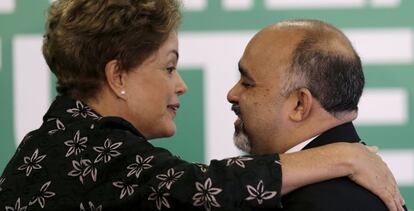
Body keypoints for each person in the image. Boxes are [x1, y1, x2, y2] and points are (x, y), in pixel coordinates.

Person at [0, 0, 404, 210]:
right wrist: (343, 157)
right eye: (169, 67)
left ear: (301, 104)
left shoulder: (55, 139)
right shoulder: (90, 149)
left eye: (247, 80)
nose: (181, 85)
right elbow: (204, 189)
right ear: (117, 76)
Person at [227, 19, 407, 210]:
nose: (232, 94)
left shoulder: (318, 202)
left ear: (299, 104)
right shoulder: (354, 186)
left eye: (247, 83)